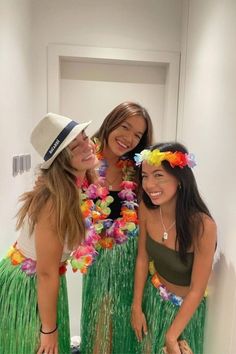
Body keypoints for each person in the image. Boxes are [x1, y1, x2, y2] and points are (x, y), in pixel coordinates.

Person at [0, 113, 98, 354]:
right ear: (62, 160)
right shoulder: (55, 200)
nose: (87, 146)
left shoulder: (80, 183)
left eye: (85, 137)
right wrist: (49, 331)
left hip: (47, 280)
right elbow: (45, 272)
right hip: (30, 285)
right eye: (75, 146)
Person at [71, 102, 153, 354]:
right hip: (97, 263)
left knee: (129, 335)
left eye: (138, 135)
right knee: (99, 331)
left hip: (131, 263)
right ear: (111, 121)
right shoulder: (83, 161)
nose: (129, 138)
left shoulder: (139, 170)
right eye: (125, 127)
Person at [131, 142, 217, 354]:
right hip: (154, 301)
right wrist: (136, 306)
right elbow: (142, 258)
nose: (149, 185)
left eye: (158, 175)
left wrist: (171, 337)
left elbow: (197, 289)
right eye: (145, 176)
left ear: (179, 179)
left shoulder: (203, 226)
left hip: (185, 315)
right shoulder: (146, 208)